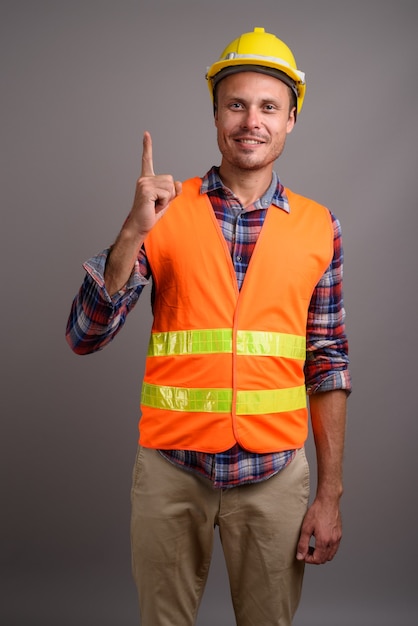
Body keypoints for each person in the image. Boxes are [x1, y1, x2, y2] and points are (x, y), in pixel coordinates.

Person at [66, 26, 351, 626]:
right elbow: (84, 336)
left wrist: (329, 495)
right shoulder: (162, 213)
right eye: (237, 104)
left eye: (269, 107)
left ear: (291, 118)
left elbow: (327, 362)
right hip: (173, 473)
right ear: (216, 113)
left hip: (273, 477)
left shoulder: (320, 226)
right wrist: (131, 231)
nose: (252, 120)